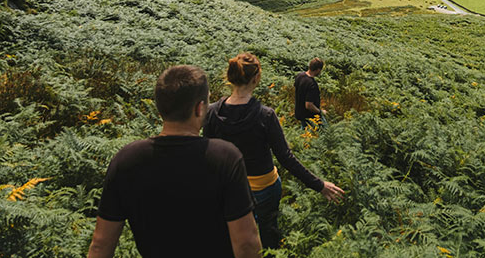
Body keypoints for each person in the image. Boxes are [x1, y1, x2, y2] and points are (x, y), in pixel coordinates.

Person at [88, 65, 262, 258]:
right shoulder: (224, 158)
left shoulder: (127, 160)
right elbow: (246, 244)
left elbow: (100, 245)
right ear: (199, 108)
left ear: (160, 106)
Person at [203, 53, 344, 249]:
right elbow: (286, 158)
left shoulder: (211, 112)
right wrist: (319, 185)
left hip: (229, 187)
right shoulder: (265, 115)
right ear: (256, 78)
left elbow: (207, 155)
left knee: (233, 237)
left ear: (230, 77)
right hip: (264, 188)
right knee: (268, 232)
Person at [294, 57, 326, 129]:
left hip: (300, 113)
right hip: (310, 117)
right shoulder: (312, 84)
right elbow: (309, 105)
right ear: (318, 69)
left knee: (305, 136)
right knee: (326, 132)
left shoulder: (299, 76)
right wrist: (320, 112)